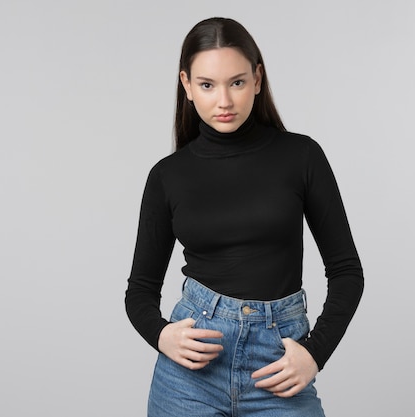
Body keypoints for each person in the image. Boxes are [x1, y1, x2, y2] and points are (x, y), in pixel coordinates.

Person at [125, 17, 364, 417]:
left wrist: (315, 353)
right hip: (189, 375)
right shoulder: (167, 176)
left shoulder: (302, 157)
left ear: (257, 78)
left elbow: (346, 271)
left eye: (236, 82)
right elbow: (140, 291)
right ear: (186, 85)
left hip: (277, 364)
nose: (224, 101)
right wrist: (162, 335)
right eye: (207, 85)